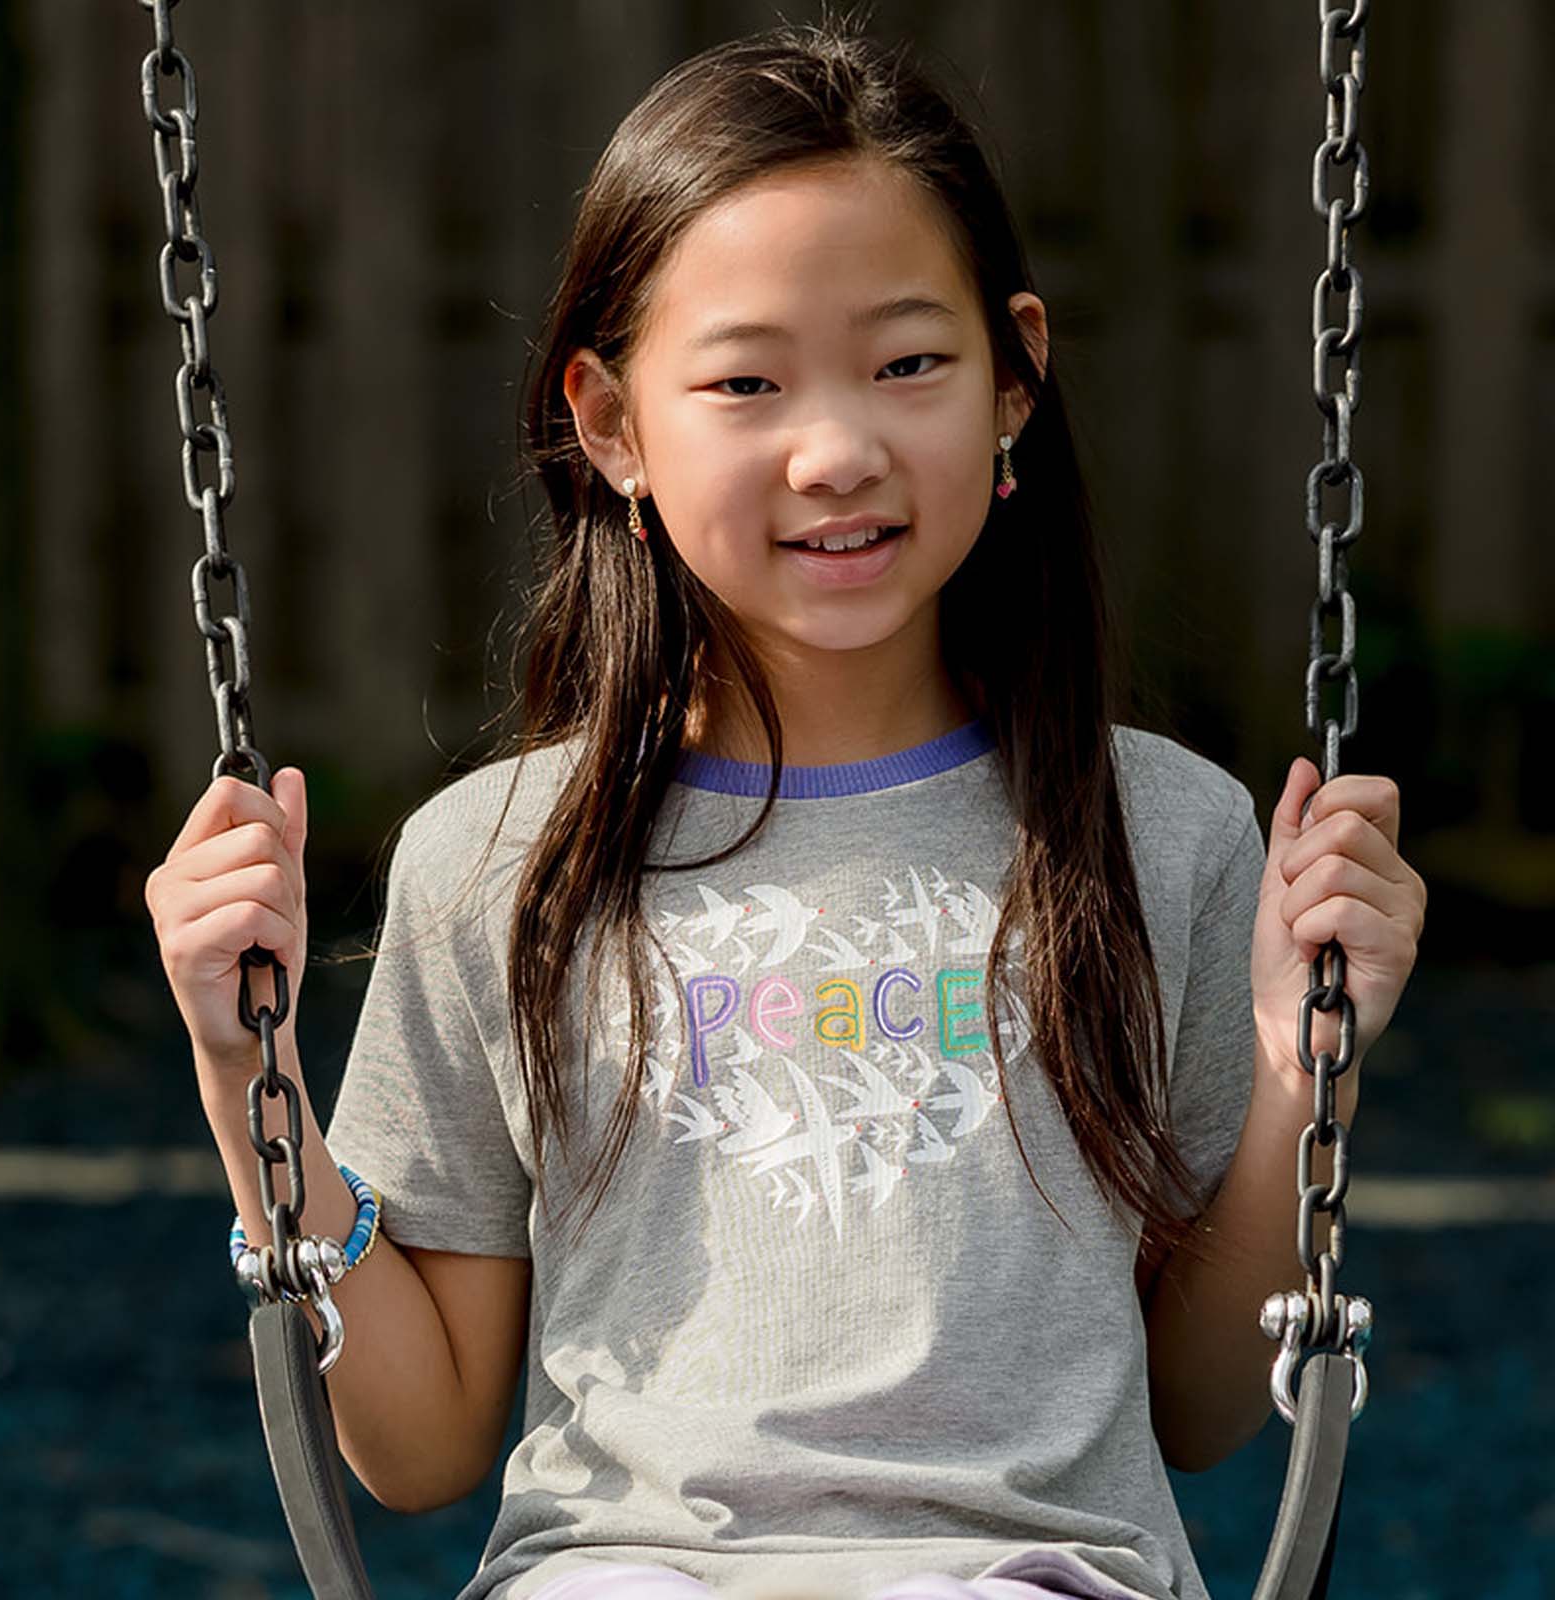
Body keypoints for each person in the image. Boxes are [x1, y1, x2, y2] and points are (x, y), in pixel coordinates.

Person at [143, 12, 1427, 1600]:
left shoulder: (1165, 832)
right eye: (747, 381)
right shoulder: (490, 862)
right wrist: (235, 1059)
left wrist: (1310, 1085)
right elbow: (418, 1447)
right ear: (613, 423)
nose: (839, 450)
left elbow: (1205, 1405)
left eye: (909, 363)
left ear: (1016, 377)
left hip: (1027, 1571)